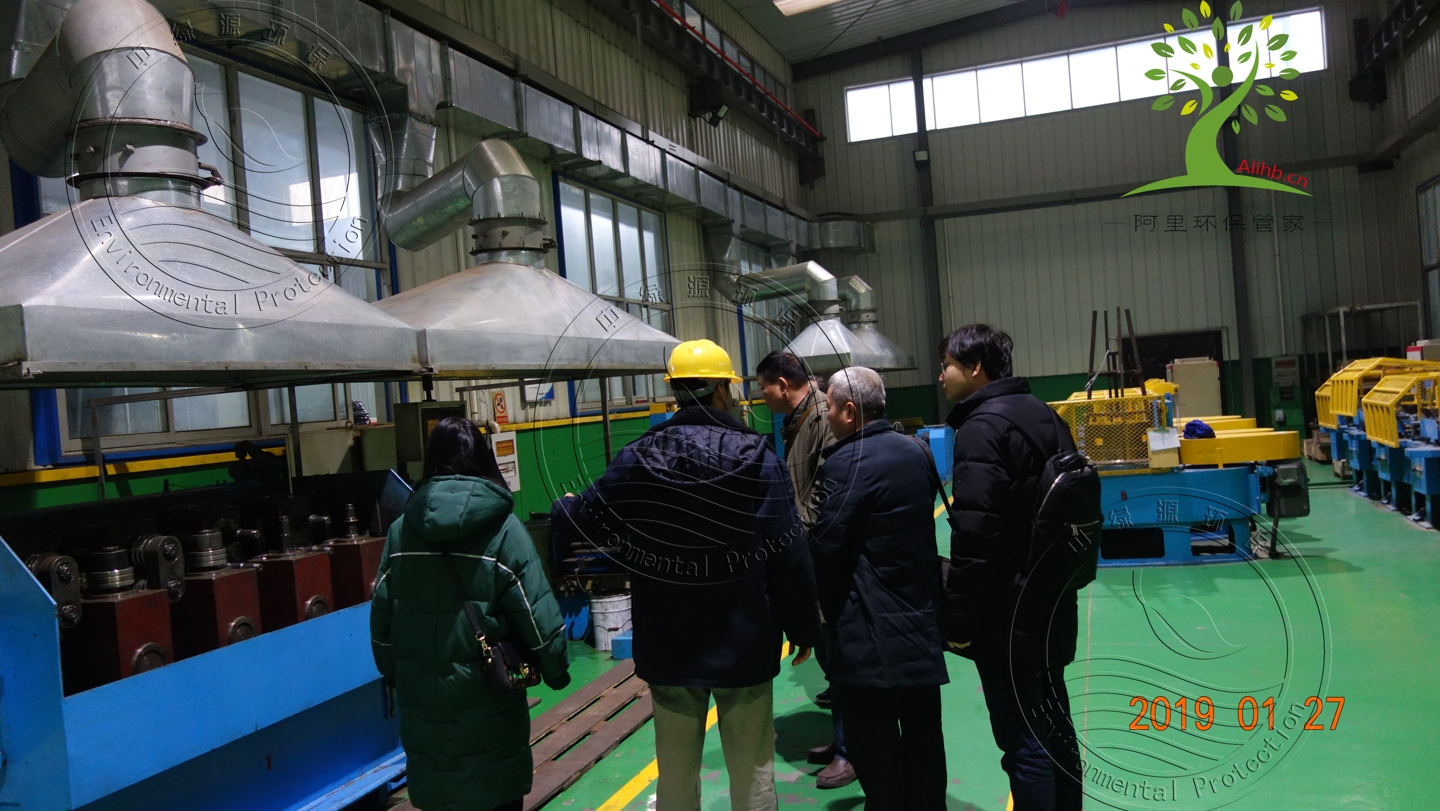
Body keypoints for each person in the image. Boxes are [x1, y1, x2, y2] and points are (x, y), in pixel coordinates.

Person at [552, 339, 821, 811]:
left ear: (675, 392)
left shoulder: (638, 457)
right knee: (753, 772)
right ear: (722, 390)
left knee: (675, 775)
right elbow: (788, 552)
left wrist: (565, 507)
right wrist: (803, 628)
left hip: (669, 645)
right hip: (744, 643)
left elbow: (585, 522)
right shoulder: (759, 458)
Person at [371, 416, 571, 811]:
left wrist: (403, 675)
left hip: (427, 724)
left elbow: (381, 626)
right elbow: (539, 620)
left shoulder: (400, 533)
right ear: (483, 459)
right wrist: (556, 671)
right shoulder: (504, 531)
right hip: (491, 724)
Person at [938, 324, 1084, 811]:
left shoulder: (982, 428)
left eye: (947, 365)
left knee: (1023, 741)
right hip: (1052, 596)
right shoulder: (1045, 415)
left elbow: (977, 537)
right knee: (1055, 725)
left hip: (1009, 611)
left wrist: (959, 624)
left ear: (975, 367)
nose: (941, 376)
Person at [809, 366, 949, 809]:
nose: (828, 416)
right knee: (925, 735)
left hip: (867, 630)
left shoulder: (844, 465)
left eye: (830, 408)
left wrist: (819, 614)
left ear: (850, 412)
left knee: (874, 744)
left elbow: (828, 551)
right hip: (920, 621)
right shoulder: (917, 451)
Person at [756, 351, 852, 788]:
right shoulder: (801, 419)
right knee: (831, 657)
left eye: (763, 388)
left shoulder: (818, 417)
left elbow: (829, 484)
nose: (760, 397)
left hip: (820, 553)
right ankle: (844, 740)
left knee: (841, 659)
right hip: (809, 551)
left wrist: (798, 531)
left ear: (781, 384)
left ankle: (851, 750)